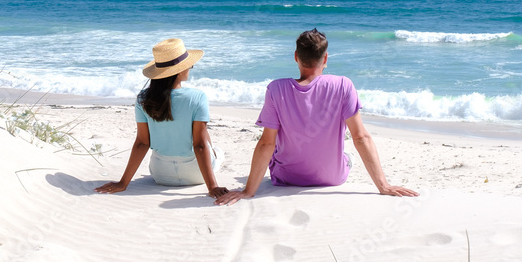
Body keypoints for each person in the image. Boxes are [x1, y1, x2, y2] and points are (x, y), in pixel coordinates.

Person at [215, 28, 418, 205]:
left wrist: (248, 191)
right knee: (348, 157)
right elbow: (360, 137)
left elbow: (267, 143)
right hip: (333, 178)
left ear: (296, 56)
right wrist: (383, 186)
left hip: (287, 177)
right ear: (326, 58)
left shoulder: (276, 89)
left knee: (279, 149)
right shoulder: (343, 85)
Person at [95, 38, 227, 198]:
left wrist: (123, 183)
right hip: (196, 174)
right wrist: (212, 187)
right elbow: (199, 145)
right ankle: (216, 155)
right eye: (189, 65)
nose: (190, 68)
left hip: (161, 174)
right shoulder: (197, 97)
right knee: (212, 146)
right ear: (180, 70)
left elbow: (142, 143)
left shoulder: (143, 98)